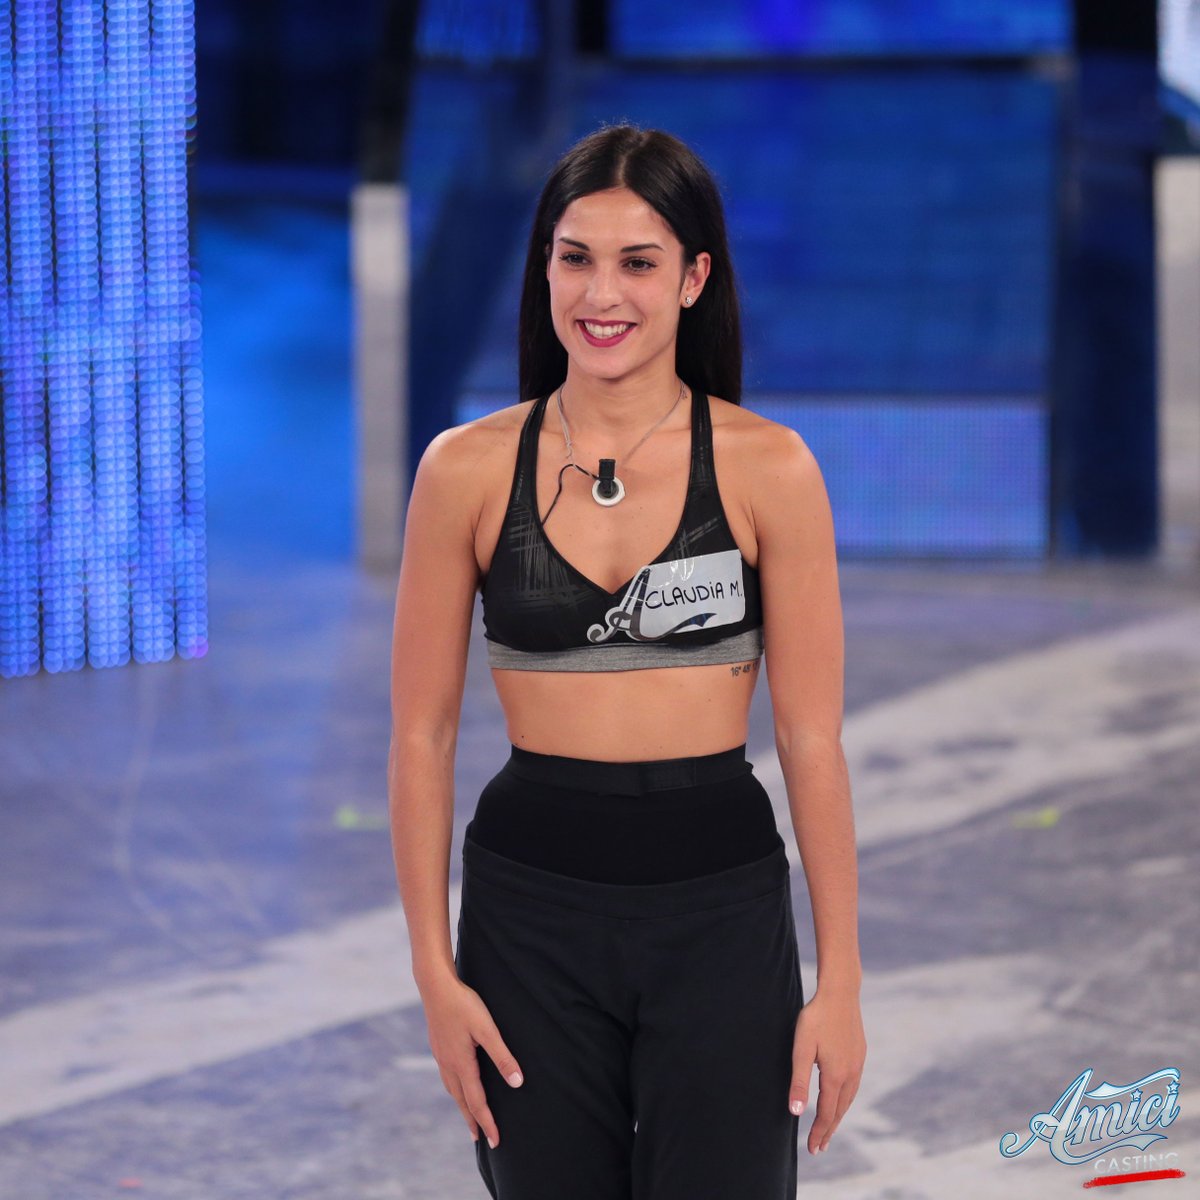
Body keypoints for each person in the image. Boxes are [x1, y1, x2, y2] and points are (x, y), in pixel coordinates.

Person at [388, 123, 865, 1199]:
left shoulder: (771, 469)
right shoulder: (464, 471)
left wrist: (839, 981)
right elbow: (419, 734)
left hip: (721, 911)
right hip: (527, 915)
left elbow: (811, 738)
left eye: (639, 263)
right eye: (576, 258)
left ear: (694, 279)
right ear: (545, 269)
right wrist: (433, 974)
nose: (602, 294)